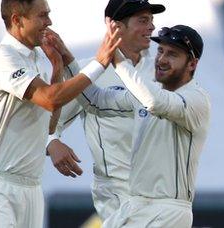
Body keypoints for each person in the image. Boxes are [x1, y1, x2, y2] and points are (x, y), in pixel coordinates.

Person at [0, 0, 121, 228]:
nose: (49, 22)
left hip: (31, 188)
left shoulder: (39, 57)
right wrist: (99, 63)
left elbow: (48, 124)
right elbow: (50, 98)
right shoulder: (1, 57)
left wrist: (57, 69)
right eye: (42, 15)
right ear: (18, 20)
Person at [62, 24, 210, 227]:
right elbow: (94, 101)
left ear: (192, 64)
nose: (162, 60)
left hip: (168, 211)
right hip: (135, 206)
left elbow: (155, 102)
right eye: (160, 51)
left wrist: (118, 60)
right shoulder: (147, 94)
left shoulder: (195, 99)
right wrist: (67, 59)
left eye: (172, 54)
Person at [46, 0, 164, 221]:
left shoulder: (163, 71)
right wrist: (52, 142)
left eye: (151, 20)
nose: (151, 27)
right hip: (117, 193)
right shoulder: (90, 72)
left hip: (161, 192)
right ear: (116, 27)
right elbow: (50, 120)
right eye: (143, 20)